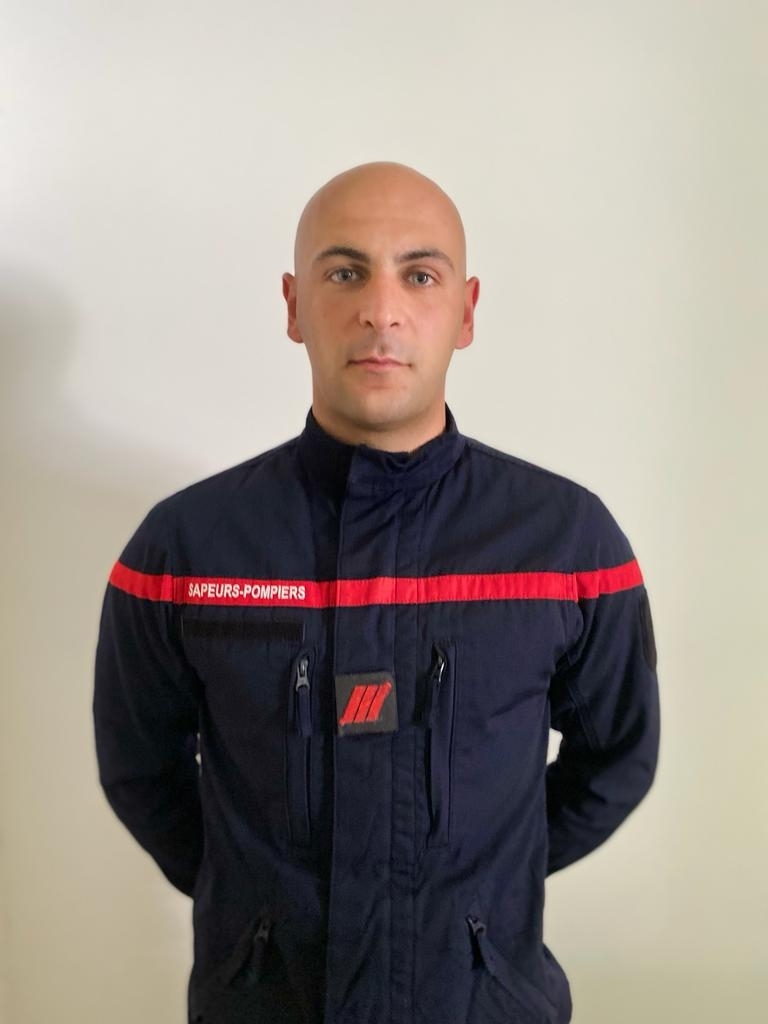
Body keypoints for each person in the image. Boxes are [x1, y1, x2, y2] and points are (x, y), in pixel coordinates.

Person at [93, 161, 660, 1024]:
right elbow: (139, 769)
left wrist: (480, 889)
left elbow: (617, 758)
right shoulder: (181, 549)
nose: (381, 310)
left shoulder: (569, 545)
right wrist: (256, 899)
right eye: (346, 272)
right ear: (293, 305)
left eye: (419, 276)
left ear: (466, 311)